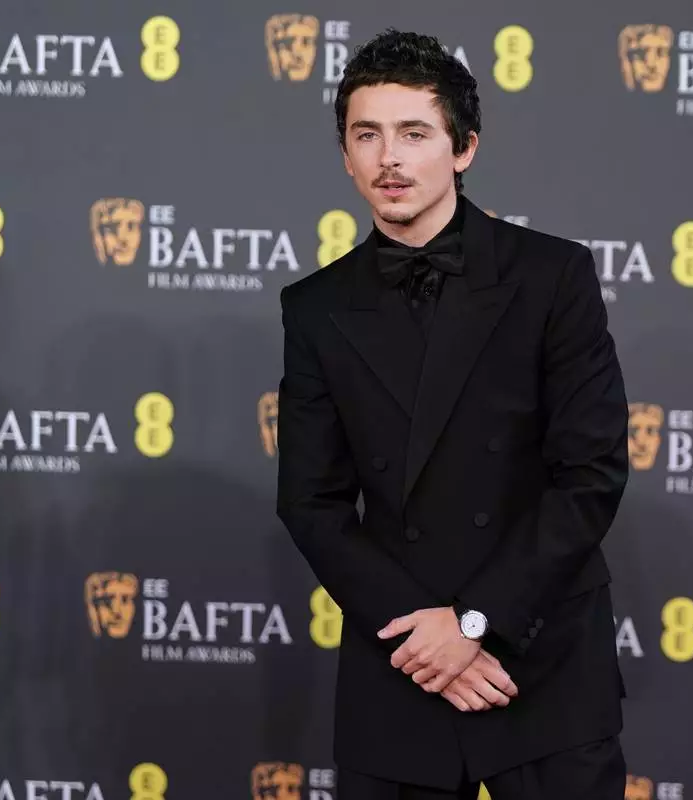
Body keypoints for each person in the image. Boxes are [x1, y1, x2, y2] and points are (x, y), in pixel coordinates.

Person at [275, 28, 630, 800]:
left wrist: (472, 624)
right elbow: (311, 501)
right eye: (366, 135)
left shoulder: (552, 276)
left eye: (414, 133)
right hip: (399, 662)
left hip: (538, 661)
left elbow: (590, 474)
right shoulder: (315, 307)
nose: (388, 159)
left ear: (463, 148)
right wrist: (421, 633)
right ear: (345, 155)